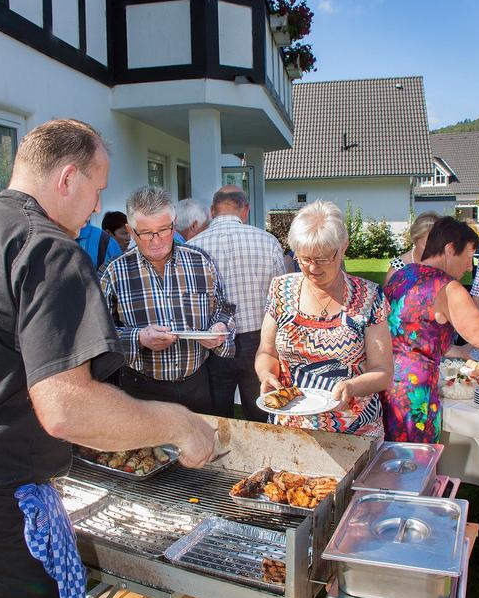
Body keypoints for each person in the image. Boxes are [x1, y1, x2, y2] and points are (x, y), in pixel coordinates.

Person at [0, 119, 215, 598]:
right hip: (1, 512)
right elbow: (67, 408)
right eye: (97, 187)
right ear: (67, 177)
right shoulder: (49, 250)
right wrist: (178, 424)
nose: (98, 204)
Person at [255, 200, 393, 438]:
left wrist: (352, 387)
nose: (312, 268)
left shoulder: (368, 297)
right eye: (304, 258)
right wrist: (267, 375)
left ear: (343, 247)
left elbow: (383, 371)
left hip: (354, 429)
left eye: (322, 259)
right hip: (290, 426)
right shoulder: (281, 289)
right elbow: (266, 352)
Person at [101, 186, 235, 413]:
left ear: (174, 225)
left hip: (197, 385)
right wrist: (139, 338)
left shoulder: (200, 261)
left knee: (199, 447)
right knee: (148, 450)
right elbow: (100, 335)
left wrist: (220, 328)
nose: (157, 241)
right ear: (130, 231)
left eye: (164, 230)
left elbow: (223, 308)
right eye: (146, 233)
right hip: (141, 390)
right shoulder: (114, 272)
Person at [383, 216, 479, 443]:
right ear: (451, 249)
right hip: (415, 393)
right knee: (417, 465)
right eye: (469, 256)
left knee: (390, 462)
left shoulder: (403, 275)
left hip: (384, 382)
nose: (470, 266)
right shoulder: (447, 287)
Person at [193, 186, 286, 421]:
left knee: (217, 417)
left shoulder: (192, 247)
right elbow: (281, 299)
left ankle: (222, 457)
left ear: (212, 211)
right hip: (259, 340)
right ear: (246, 210)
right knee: (261, 413)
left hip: (212, 342)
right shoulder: (268, 241)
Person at [383, 211, 440, 286]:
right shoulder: (399, 266)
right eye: (427, 246)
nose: (432, 250)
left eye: (437, 245)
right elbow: (387, 295)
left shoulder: (443, 261)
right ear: (415, 239)